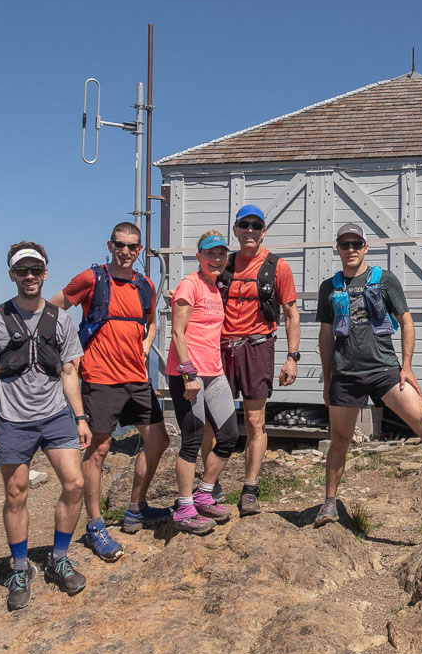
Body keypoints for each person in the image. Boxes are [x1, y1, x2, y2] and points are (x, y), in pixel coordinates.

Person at [314, 223, 422, 527]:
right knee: (340, 439)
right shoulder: (329, 287)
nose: (350, 249)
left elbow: (406, 321)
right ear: (337, 248)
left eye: (356, 244)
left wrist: (406, 366)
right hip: (345, 374)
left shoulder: (385, 280)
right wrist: (327, 380)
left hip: (384, 370)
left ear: (365, 247)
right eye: (344, 244)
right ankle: (329, 504)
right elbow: (325, 337)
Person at [0, 241, 90, 611]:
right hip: (12, 419)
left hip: (55, 415)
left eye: (35, 270)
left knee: (75, 483)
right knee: (16, 494)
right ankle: (20, 568)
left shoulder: (61, 319)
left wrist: (80, 416)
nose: (29, 276)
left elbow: (70, 370)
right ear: (12, 275)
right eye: (22, 270)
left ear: (45, 274)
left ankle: (57, 558)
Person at [47, 222, 171, 562]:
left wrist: (145, 345)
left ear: (140, 249)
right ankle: (95, 524)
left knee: (159, 440)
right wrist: (65, 350)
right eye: (120, 244)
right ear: (110, 245)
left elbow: (151, 321)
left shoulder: (145, 285)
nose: (126, 251)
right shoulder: (92, 279)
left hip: (136, 377)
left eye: (133, 246)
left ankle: (135, 508)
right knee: (98, 451)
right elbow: (52, 308)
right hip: (100, 378)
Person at [218, 205, 301, 516]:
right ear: (236, 230)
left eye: (256, 225)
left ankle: (250, 488)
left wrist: (291, 358)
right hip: (222, 350)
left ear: (263, 231)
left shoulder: (277, 267)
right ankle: (210, 485)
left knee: (254, 421)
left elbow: (292, 315)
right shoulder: (222, 265)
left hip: (258, 348)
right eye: (244, 225)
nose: (250, 230)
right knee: (218, 420)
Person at [165, 231, 239, 533]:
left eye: (221, 254)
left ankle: (204, 494)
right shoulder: (189, 284)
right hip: (188, 375)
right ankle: (184, 508)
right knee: (192, 439)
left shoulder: (215, 286)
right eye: (210, 253)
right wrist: (188, 374)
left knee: (230, 435)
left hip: (214, 372)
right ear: (199, 256)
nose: (216, 259)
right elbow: (177, 333)